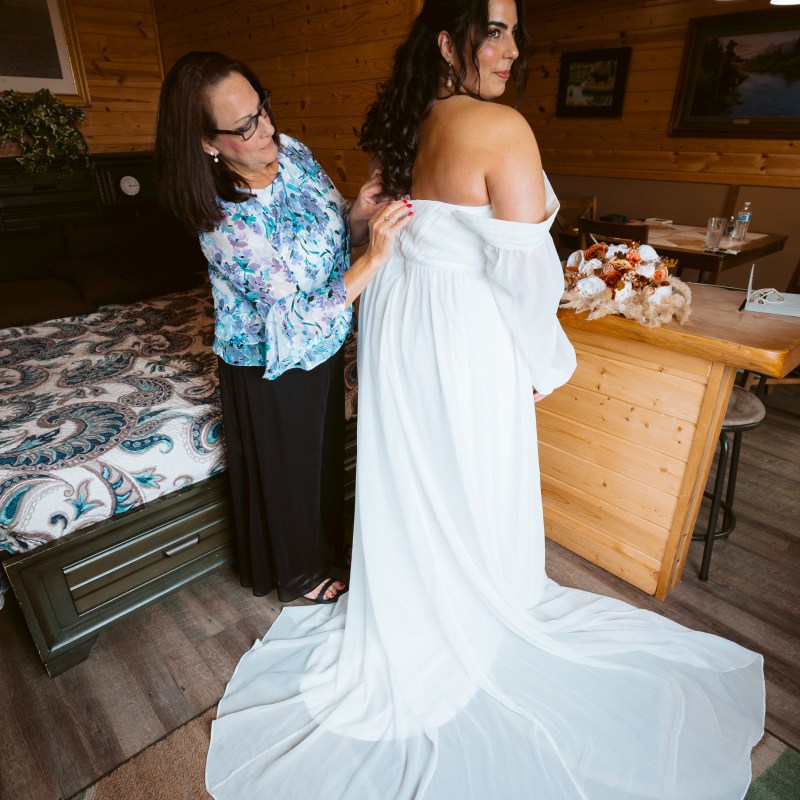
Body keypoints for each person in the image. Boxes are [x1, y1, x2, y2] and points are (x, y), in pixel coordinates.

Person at [205, 3, 765, 797]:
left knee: (417, 475)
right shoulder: (501, 131)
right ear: (446, 39)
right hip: (459, 337)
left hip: (400, 330)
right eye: (493, 29)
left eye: (514, 30)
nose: (510, 49)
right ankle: (474, 606)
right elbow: (525, 277)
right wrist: (542, 358)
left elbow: (398, 234)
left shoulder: (405, 122)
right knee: (471, 473)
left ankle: (426, 600)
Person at [155, 52, 411, 605]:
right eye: (245, 126)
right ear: (206, 143)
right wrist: (375, 260)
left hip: (325, 340)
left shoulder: (291, 151)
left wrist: (358, 213)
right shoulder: (222, 221)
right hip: (268, 357)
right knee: (289, 469)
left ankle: (325, 548)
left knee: (319, 457)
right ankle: (297, 572)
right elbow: (292, 312)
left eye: (263, 109)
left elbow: (326, 227)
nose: (267, 128)